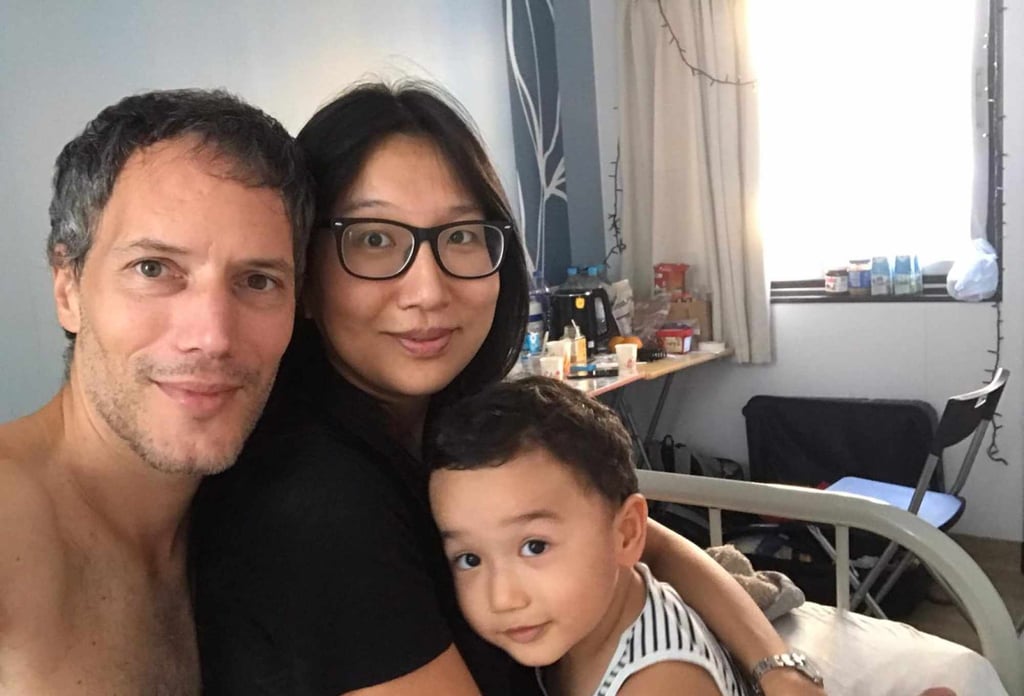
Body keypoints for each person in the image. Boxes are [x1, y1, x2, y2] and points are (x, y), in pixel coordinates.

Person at [191, 80, 824, 696]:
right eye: (375, 239)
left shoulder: (447, 426)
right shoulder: (317, 503)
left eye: (461, 236)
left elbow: (633, 534)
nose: (429, 291)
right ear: (303, 271)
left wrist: (782, 667)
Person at [0, 89, 313, 694]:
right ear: (68, 288)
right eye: (153, 269)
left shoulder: (250, 527)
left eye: (257, 280)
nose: (213, 337)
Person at [428, 375, 760, 695]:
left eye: (534, 546)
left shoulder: (661, 683)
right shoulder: (584, 625)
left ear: (627, 534)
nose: (502, 598)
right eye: (470, 559)